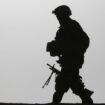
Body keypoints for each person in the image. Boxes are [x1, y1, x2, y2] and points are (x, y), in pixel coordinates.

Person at [46, 5, 94, 104]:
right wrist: (54, 47)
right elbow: (60, 45)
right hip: (68, 61)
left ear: (64, 15)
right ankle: (87, 99)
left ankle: (56, 102)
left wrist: (75, 51)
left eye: (59, 15)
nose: (58, 18)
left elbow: (85, 41)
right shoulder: (63, 28)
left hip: (72, 61)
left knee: (62, 83)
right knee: (73, 83)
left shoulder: (72, 25)